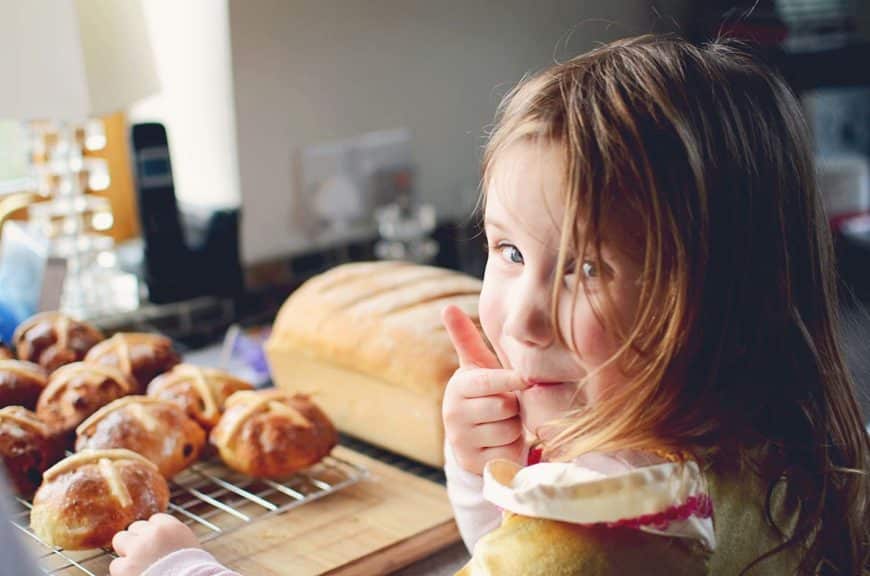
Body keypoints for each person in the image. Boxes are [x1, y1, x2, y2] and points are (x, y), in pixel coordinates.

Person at [441, 34, 868, 575]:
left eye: (586, 268)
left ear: (718, 291)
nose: (523, 320)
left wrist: (483, 484)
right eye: (510, 251)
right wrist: (495, 470)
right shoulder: (773, 443)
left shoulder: (597, 538)